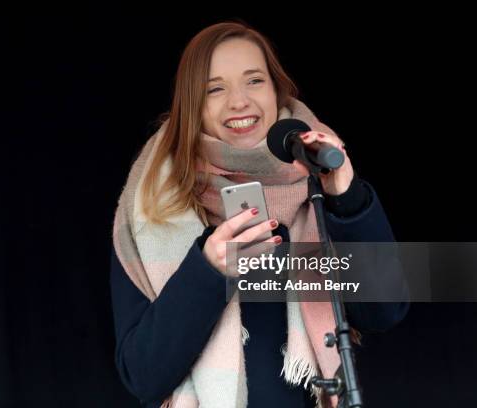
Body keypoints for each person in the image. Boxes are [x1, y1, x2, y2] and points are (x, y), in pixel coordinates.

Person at [110, 21, 408, 408]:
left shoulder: (318, 176)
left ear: (276, 89)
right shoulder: (150, 205)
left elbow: (384, 312)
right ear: (191, 106)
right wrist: (208, 271)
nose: (239, 101)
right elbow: (142, 375)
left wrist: (346, 199)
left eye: (254, 81)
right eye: (214, 89)